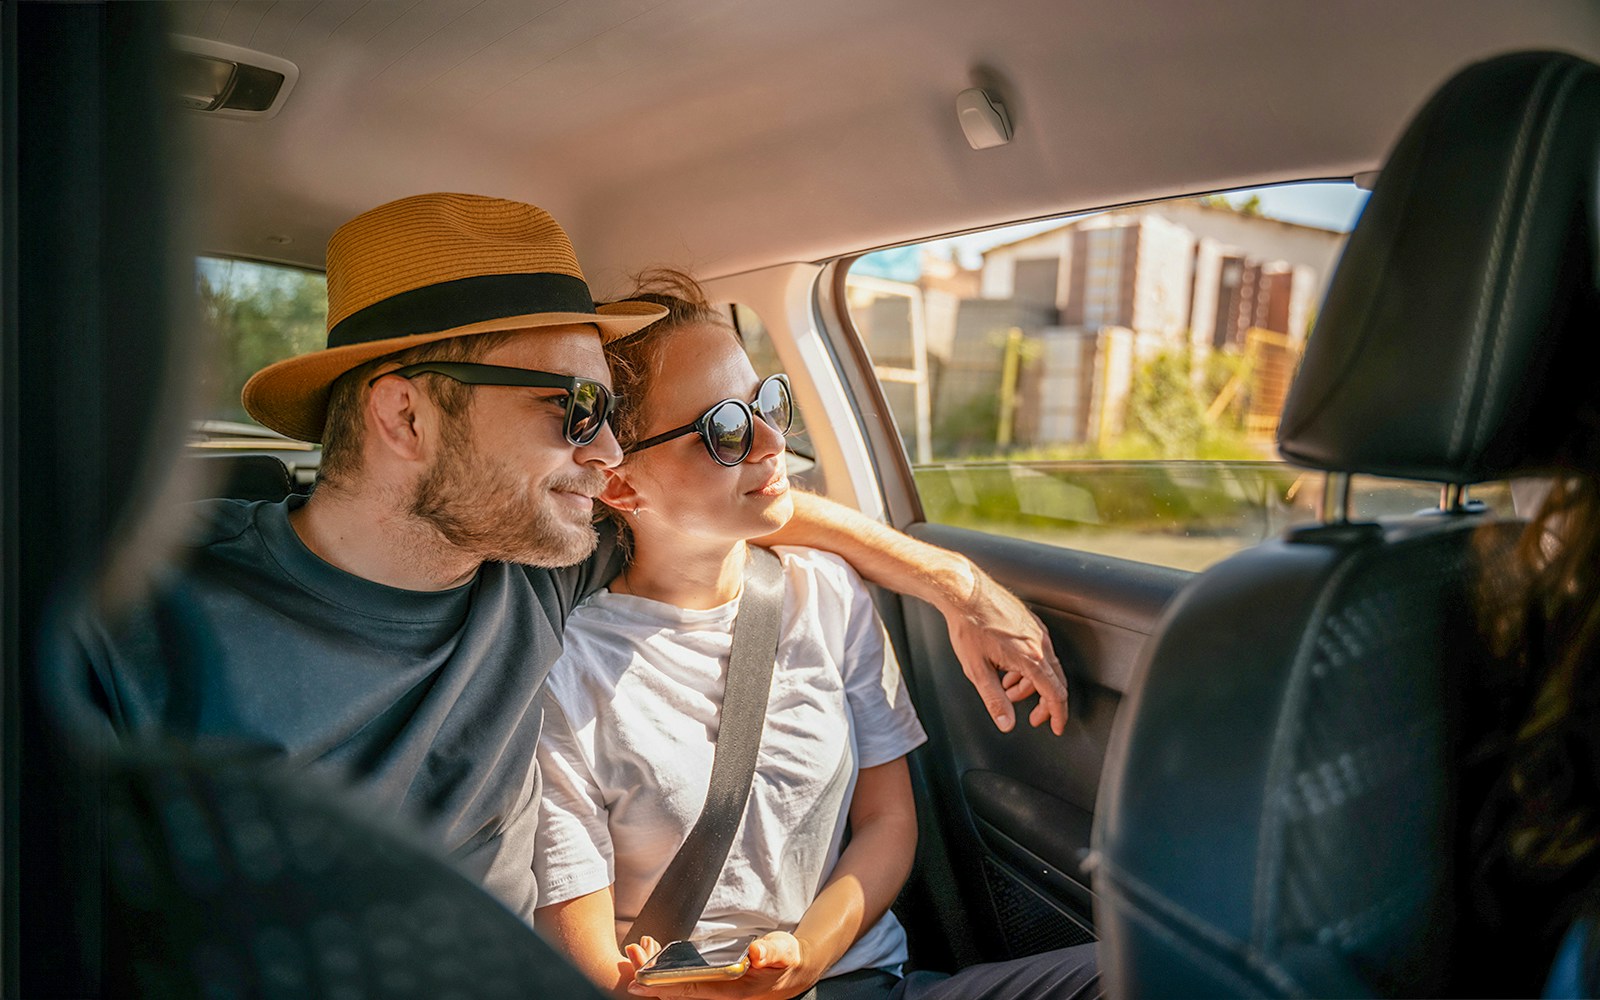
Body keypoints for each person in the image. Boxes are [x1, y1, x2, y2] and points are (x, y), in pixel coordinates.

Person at [68, 193, 1072, 924]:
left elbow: (755, 508)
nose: (604, 453)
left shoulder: (538, 570)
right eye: (572, 410)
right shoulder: (140, 620)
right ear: (405, 412)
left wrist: (955, 581)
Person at [533, 271, 1099, 1000]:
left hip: (867, 981)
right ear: (618, 484)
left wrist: (806, 954)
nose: (775, 441)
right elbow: (584, 955)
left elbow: (889, 819)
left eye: (767, 402)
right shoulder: (569, 669)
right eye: (726, 430)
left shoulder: (826, 591)